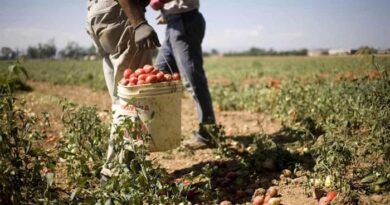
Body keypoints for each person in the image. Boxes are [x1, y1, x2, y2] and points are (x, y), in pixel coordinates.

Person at [86, 0, 160, 178]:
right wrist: (139, 22)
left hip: (99, 14)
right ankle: (117, 172)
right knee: (133, 100)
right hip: (121, 13)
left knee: (122, 100)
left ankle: (122, 168)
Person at [150, 0, 217, 148]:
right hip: (172, 23)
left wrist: (159, 1)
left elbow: (156, 2)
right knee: (159, 74)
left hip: (185, 21)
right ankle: (162, 131)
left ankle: (208, 134)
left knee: (193, 79)